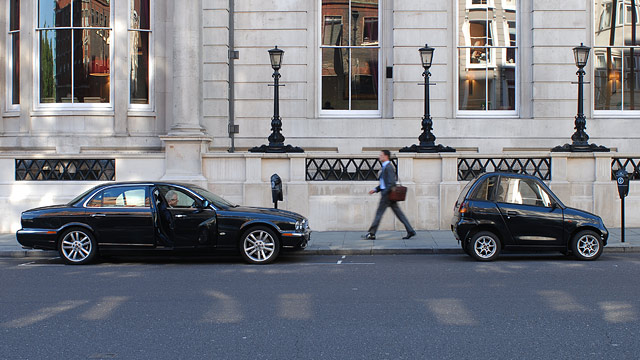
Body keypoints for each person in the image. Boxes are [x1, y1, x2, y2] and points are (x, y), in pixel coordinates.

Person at [362, 150, 416, 240]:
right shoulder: (385, 167)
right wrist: (375, 189)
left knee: (379, 214)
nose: (379, 156)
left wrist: (385, 192)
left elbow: (391, 183)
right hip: (388, 194)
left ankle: (372, 233)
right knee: (399, 214)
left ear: (386, 156)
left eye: (381, 155)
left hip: (387, 195)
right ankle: (410, 230)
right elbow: (384, 183)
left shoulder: (388, 167)